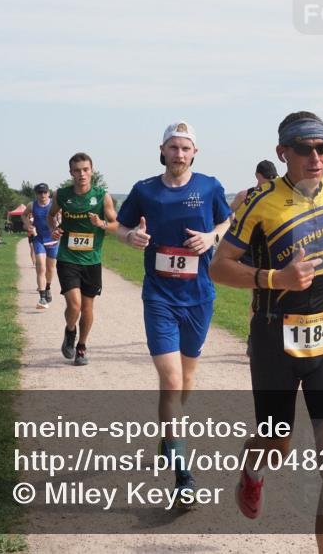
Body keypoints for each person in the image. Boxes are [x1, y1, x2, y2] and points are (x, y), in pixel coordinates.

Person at [209, 111, 323, 554]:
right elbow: (220, 266)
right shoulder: (261, 203)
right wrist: (276, 279)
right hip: (275, 337)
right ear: (283, 153)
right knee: (276, 442)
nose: (316, 157)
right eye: (305, 149)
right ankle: (254, 467)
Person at [115, 121, 231, 506]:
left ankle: (169, 434)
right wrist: (130, 237)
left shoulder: (210, 187)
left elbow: (226, 221)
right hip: (160, 297)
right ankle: (183, 474)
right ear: (162, 150)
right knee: (171, 380)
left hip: (199, 296)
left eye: (186, 148)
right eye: (173, 147)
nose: (179, 154)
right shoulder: (144, 190)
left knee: (186, 381)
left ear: (194, 152)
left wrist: (212, 237)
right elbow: (121, 225)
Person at [49, 153, 118, 366]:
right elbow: (51, 216)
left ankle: (81, 346)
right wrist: (55, 229)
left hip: (92, 260)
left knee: (87, 308)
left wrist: (102, 225)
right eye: (77, 170)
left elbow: (116, 224)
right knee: (75, 304)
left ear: (92, 170)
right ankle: (70, 331)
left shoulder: (102, 196)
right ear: (71, 173)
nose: (82, 174)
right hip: (68, 257)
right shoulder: (61, 195)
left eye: (85, 169)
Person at [229, 160, 279, 356]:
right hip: (255, 252)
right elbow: (228, 213)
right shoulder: (247, 195)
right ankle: (255, 338)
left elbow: (228, 214)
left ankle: (263, 337)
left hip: (269, 250)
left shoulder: (271, 193)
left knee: (265, 296)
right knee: (258, 296)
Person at [24, 183, 59, 309]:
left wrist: (60, 227)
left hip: (53, 240)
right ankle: (42, 298)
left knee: (50, 269)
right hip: (38, 239)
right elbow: (24, 215)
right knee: (41, 267)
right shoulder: (32, 205)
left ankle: (48, 287)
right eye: (40, 192)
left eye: (44, 192)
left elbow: (63, 217)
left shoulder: (55, 204)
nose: (42, 195)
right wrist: (28, 224)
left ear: (48, 193)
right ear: (36, 194)